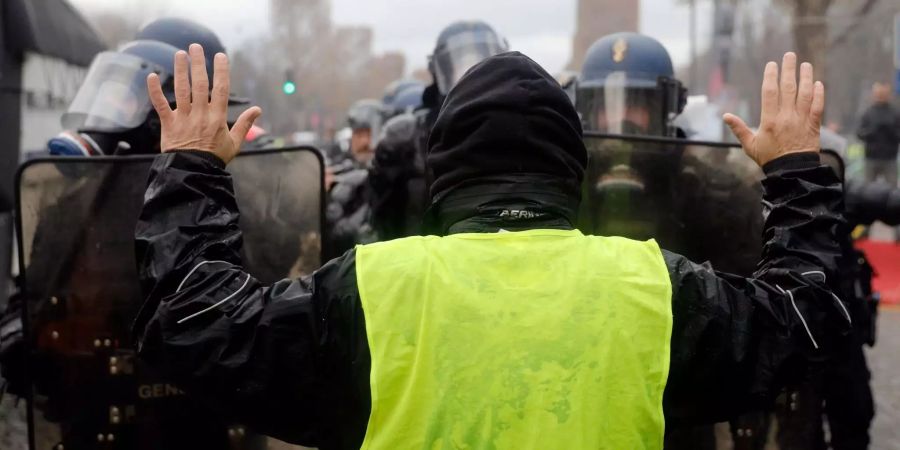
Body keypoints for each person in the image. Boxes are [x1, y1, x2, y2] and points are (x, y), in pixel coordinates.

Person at [134, 42, 848, 449]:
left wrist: (192, 168)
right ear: (574, 170)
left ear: (443, 172)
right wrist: (796, 174)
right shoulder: (651, 287)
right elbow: (807, 322)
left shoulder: (374, 288)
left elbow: (197, 332)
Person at [368, 20, 509, 239]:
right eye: (462, 66)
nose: (472, 77)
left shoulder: (521, 128)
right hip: (421, 266)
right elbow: (382, 220)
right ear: (441, 70)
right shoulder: (407, 137)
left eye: (482, 63)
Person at [858, 82, 900, 185]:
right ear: (874, 94)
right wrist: (871, 132)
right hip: (871, 158)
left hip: (889, 158)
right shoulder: (868, 113)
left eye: (883, 93)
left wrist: (891, 132)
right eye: (878, 93)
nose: (881, 96)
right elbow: (859, 134)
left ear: (888, 94)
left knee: (892, 192)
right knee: (867, 191)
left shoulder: (894, 113)